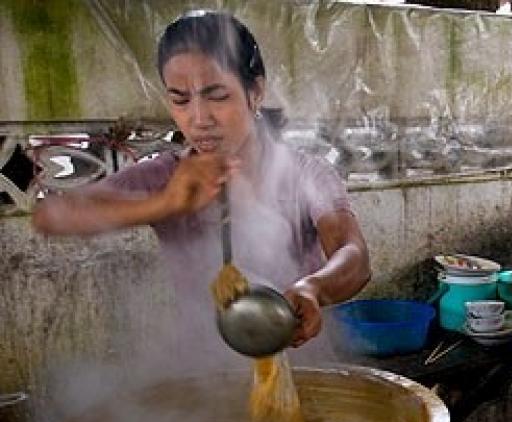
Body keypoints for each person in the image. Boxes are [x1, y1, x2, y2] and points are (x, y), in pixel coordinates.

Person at [33, 10, 371, 357]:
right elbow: (50, 215)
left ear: (255, 93)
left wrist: (314, 288)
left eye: (217, 96)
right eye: (180, 100)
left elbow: (354, 256)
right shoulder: (166, 176)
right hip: (205, 376)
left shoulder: (305, 173)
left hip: (306, 361)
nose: (198, 119)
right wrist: (165, 203)